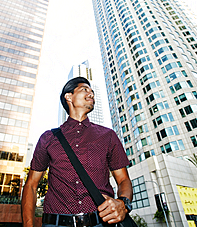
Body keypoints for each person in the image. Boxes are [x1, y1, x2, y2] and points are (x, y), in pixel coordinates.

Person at [22, 77, 133, 227]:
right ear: (69, 97)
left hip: (101, 223)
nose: (91, 94)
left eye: (92, 91)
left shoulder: (108, 135)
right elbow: (31, 185)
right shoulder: (48, 138)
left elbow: (123, 180)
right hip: (55, 223)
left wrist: (123, 203)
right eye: (85, 89)